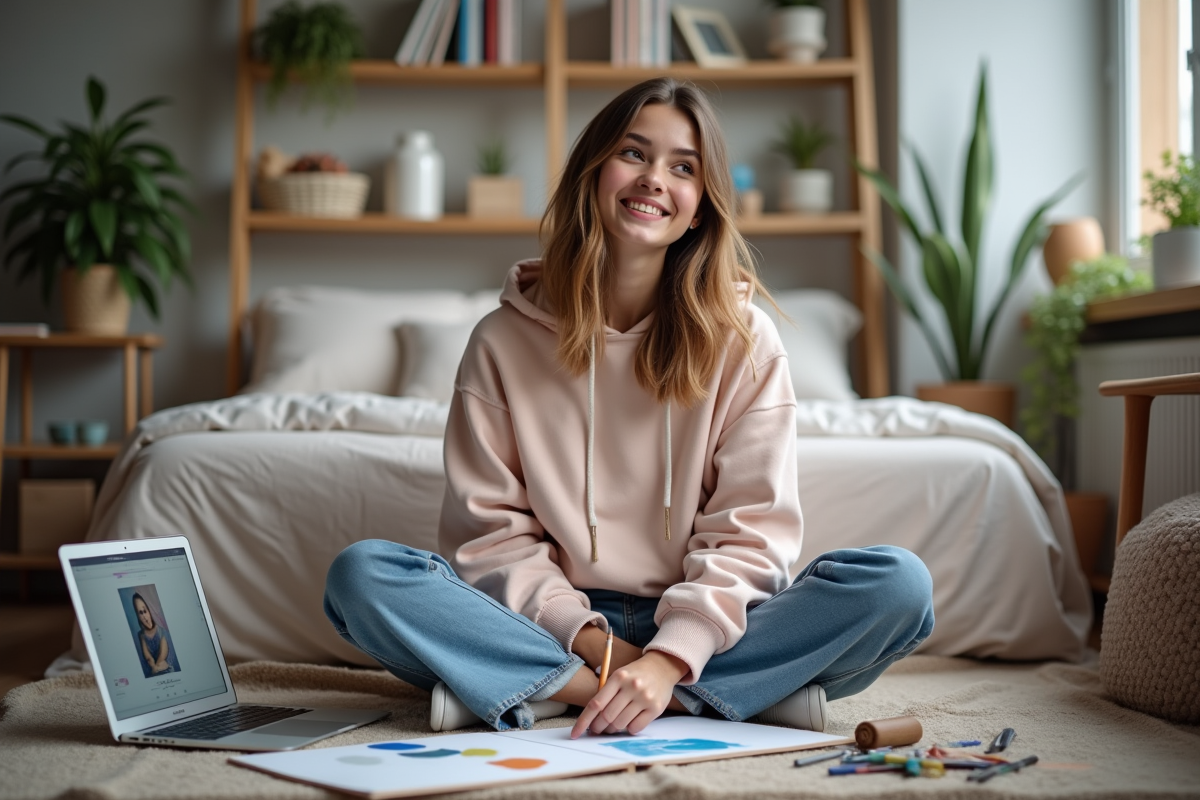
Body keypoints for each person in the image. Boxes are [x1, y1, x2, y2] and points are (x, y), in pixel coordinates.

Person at [324, 77, 933, 736]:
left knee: (896, 587)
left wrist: (671, 656)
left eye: (683, 168)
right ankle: (694, 695)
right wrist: (602, 649)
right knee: (363, 578)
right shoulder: (500, 341)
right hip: (549, 622)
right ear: (593, 173)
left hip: (709, 622)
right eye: (634, 154)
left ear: (699, 208)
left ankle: (547, 690)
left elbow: (749, 532)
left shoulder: (744, 339)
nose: (653, 179)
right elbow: (492, 539)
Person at [131, 592, 178, 676]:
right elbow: (148, 657)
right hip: (154, 671)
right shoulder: (141, 635)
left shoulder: (162, 631)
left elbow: (162, 655)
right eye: (140, 613)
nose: (144, 616)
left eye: (145, 611)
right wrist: (153, 667)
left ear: (149, 611)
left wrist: (156, 668)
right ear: (138, 616)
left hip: (166, 670)